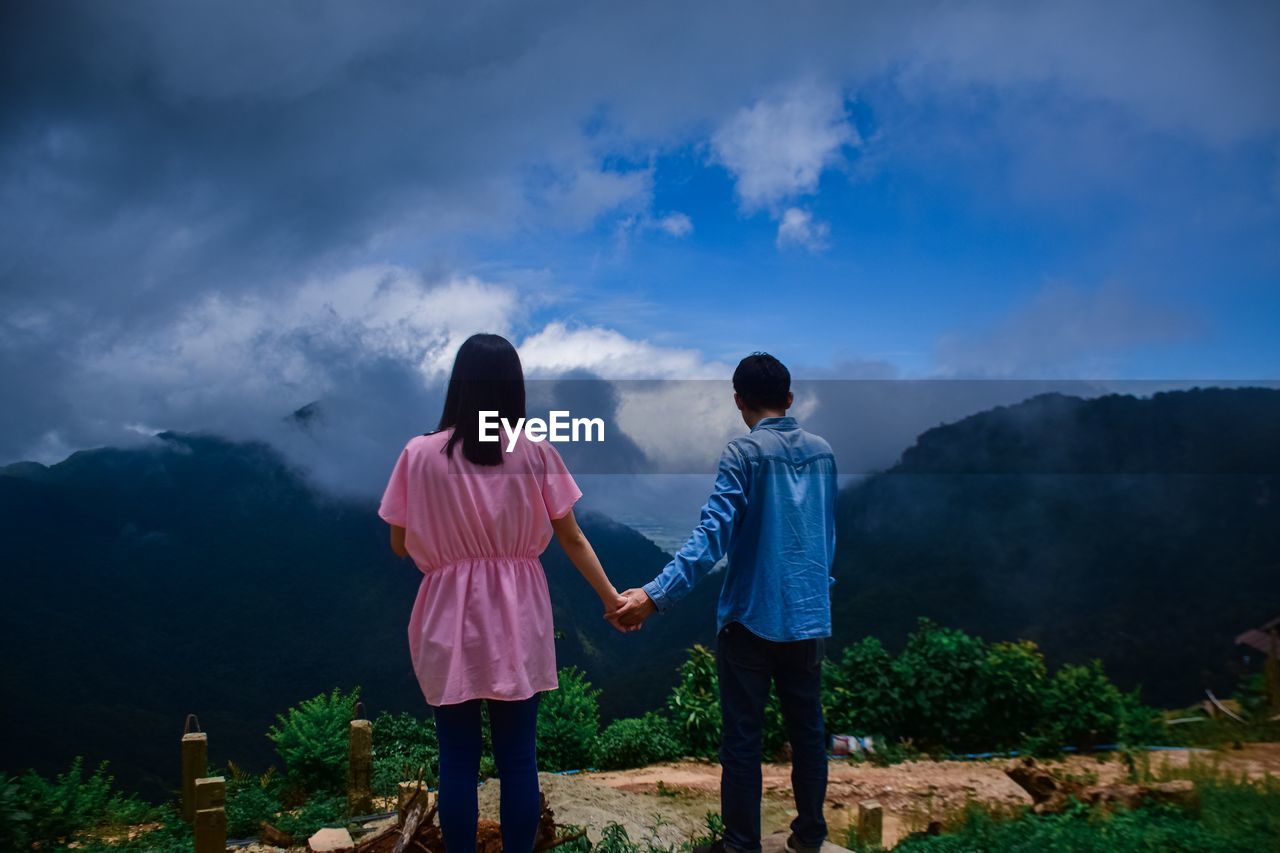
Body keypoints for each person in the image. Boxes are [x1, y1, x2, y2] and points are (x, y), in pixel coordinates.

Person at [378, 333, 626, 853]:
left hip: (446, 614)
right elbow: (573, 538)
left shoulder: (418, 454)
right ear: (514, 390)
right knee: (519, 758)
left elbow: (399, 546)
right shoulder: (537, 452)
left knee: (457, 761)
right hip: (518, 612)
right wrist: (611, 600)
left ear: (458, 386)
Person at [612, 353, 838, 853]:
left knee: (742, 740)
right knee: (808, 732)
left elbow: (711, 537)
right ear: (789, 398)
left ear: (738, 402)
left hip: (751, 621)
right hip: (808, 618)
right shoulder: (823, 453)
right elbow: (824, 535)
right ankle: (810, 834)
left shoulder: (744, 454)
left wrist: (654, 595)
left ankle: (740, 844)